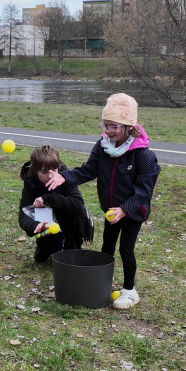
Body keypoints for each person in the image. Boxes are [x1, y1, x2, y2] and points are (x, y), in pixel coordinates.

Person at [45, 93, 160, 310]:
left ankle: (129, 291)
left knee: (126, 249)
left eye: (113, 126)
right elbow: (88, 170)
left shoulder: (143, 156)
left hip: (133, 211)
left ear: (128, 126)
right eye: (105, 125)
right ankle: (101, 284)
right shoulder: (103, 146)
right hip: (110, 210)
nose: (107, 130)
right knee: (107, 246)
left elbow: (143, 191)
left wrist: (125, 210)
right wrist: (64, 176)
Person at [17, 144, 90, 263]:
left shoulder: (65, 176)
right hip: (47, 222)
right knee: (41, 258)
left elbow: (78, 206)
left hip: (67, 219)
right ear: (35, 170)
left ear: (59, 167)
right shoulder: (30, 183)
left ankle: (72, 247)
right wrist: (36, 225)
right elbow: (23, 215)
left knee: (74, 212)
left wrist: (49, 198)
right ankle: (48, 246)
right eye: (44, 172)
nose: (50, 176)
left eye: (54, 171)